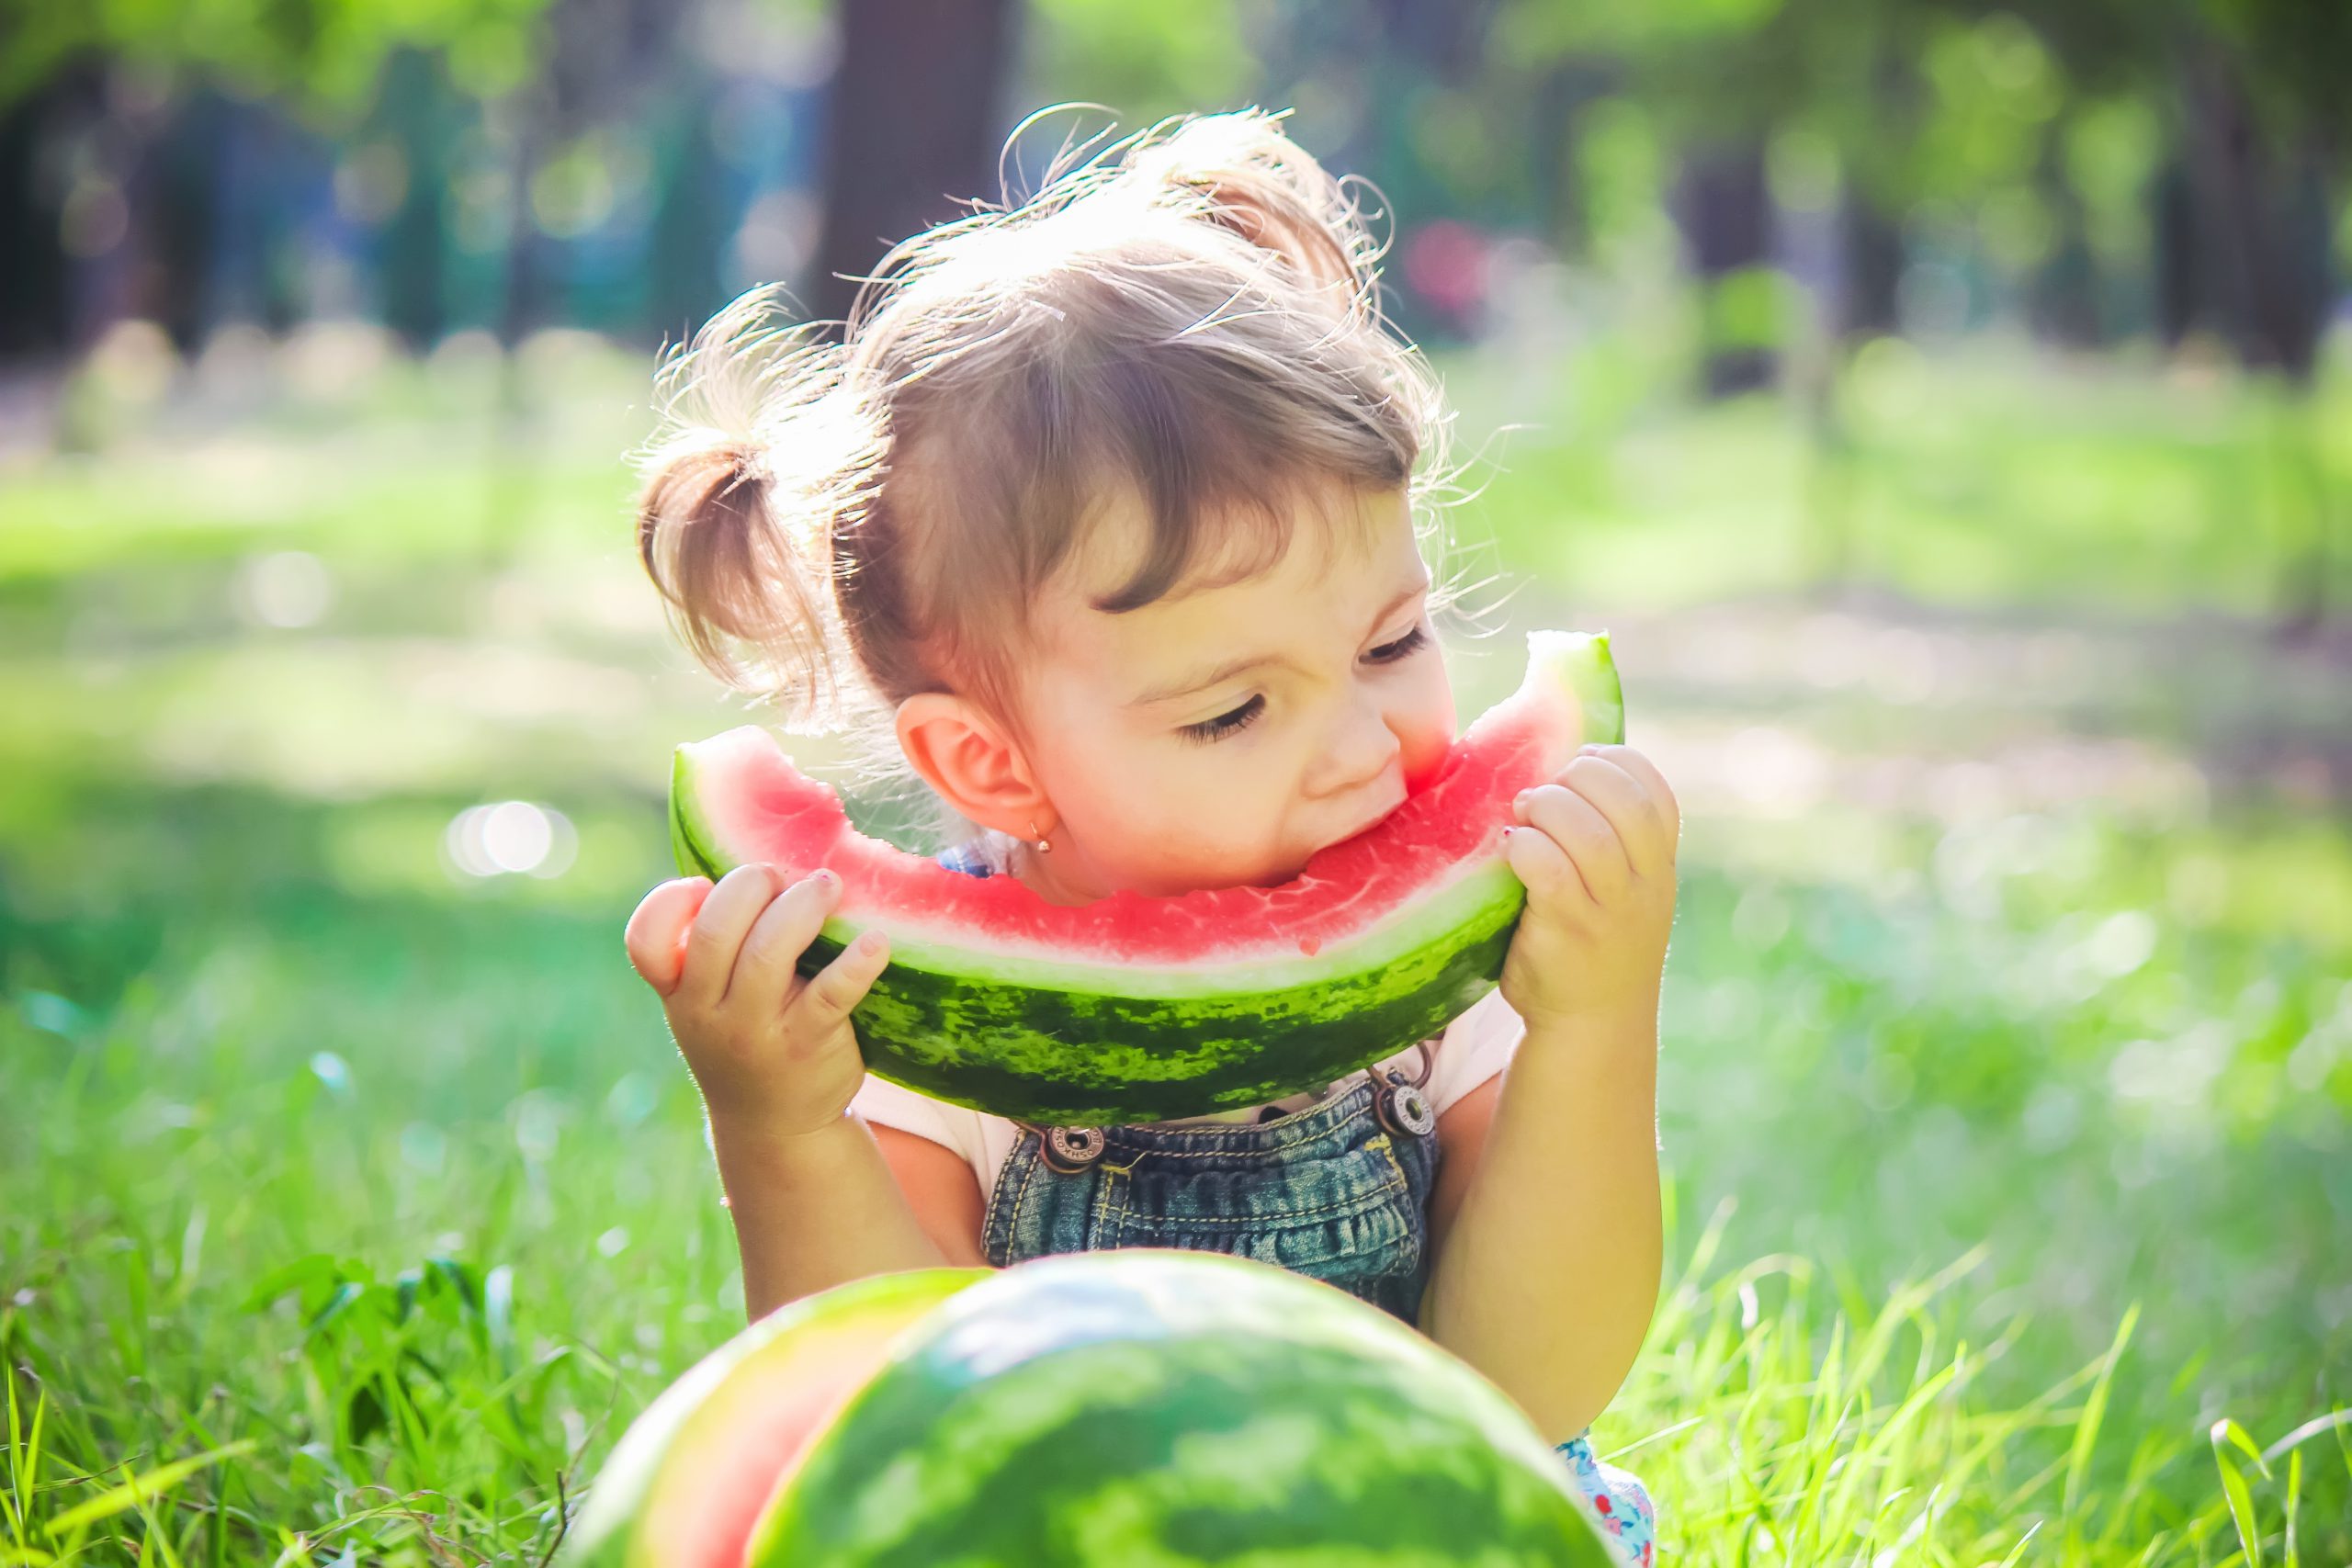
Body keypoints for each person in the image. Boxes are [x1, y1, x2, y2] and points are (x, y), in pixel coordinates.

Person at [621, 105, 1674, 1563]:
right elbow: (888, 1417)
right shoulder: (925, 1027)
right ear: (990, 764)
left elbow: (1528, 1388)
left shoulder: (1464, 973)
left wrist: (1597, 1021)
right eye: (1235, 712)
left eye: (1393, 642)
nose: (1367, 748)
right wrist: (783, 1127)